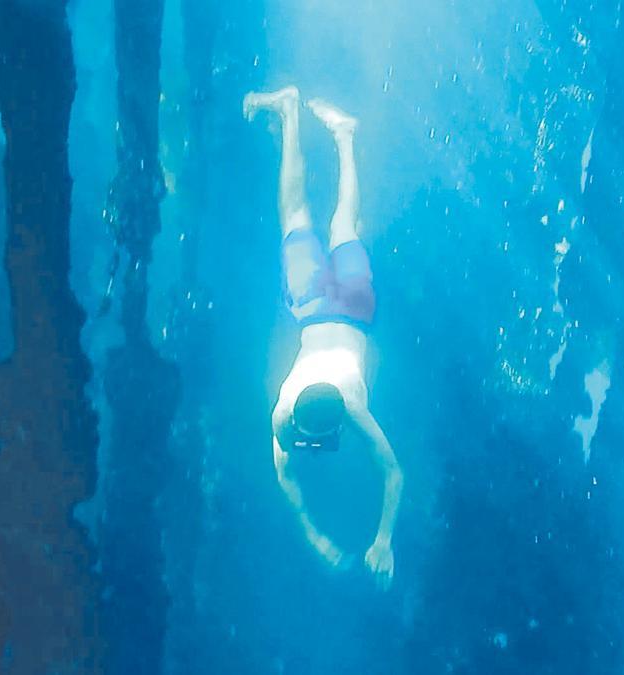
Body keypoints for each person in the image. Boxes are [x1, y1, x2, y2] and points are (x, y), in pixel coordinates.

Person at [243, 85, 403, 589]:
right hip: (314, 311)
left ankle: (342, 135)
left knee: (339, 223)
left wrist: (324, 535)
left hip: (352, 312)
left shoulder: (295, 416)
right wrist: (380, 539)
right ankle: (301, 117)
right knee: (305, 218)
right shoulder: (342, 409)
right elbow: (391, 473)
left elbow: (288, 477)